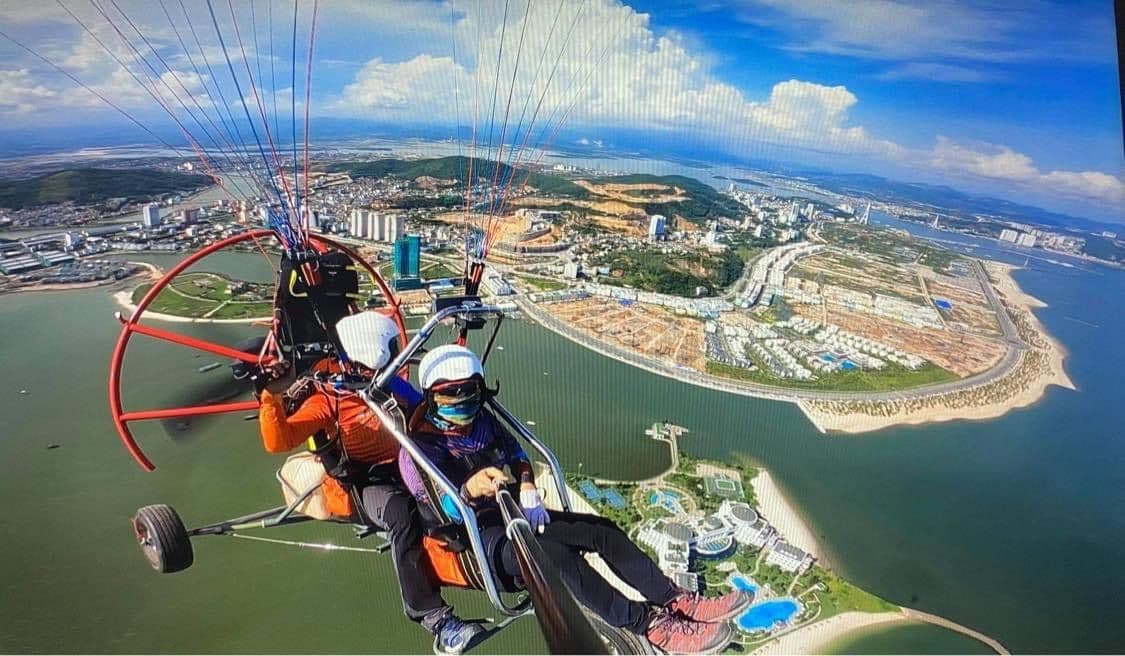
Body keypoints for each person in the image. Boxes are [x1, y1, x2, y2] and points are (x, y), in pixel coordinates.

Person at [398, 344, 751, 655]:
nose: (461, 403)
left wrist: (527, 484)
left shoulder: (483, 424)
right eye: (450, 395)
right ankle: (651, 625)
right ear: (431, 397)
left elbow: (517, 452)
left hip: (515, 514)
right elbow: (438, 509)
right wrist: (468, 491)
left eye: (469, 393)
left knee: (602, 531)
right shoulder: (418, 449)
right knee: (553, 556)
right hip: (477, 543)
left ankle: (677, 600)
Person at [255, 312, 484, 655]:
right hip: (360, 485)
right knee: (403, 515)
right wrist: (269, 396)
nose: (396, 358)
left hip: (404, 467)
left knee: (450, 493)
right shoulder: (328, 398)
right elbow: (279, 440)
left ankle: (483, 558)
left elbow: (422, 410)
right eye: (391, 351)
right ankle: (435, 620)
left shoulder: (388, 384)